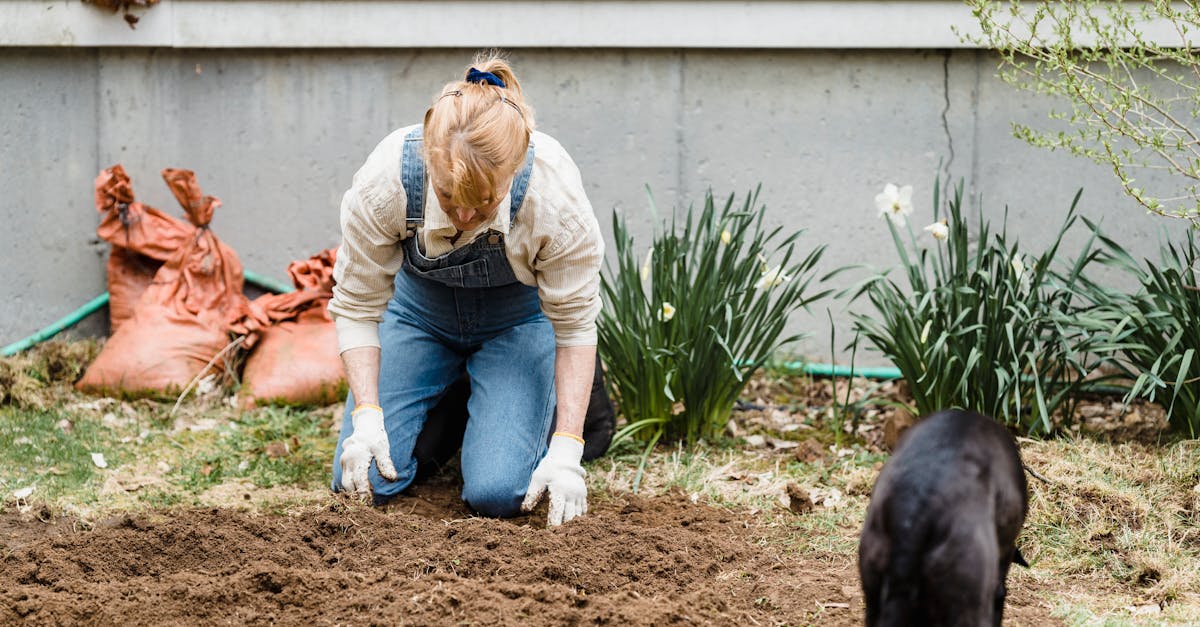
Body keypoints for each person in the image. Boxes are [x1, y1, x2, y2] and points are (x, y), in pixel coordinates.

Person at [327, 52, 604, 527]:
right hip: (418, 315)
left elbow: (575, 327)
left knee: (498, 494)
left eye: (484, 202)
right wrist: (368, 416)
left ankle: (516, 401)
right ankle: (457, 399)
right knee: (363, 481)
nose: (464, 217)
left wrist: (567, 448)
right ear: (428, 157)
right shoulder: (387, 180)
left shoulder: (554, 198)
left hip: (517, 322)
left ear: (515, 168)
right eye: (448, 196)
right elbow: (356, 306)